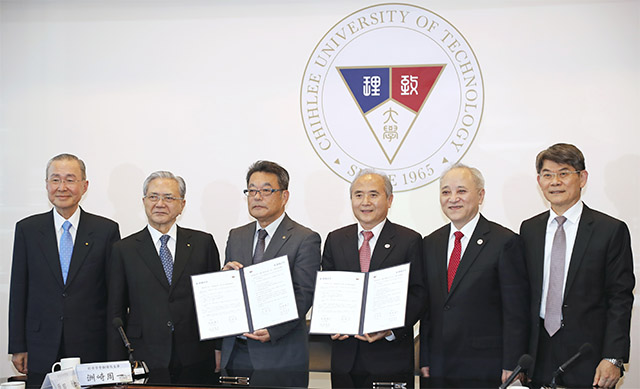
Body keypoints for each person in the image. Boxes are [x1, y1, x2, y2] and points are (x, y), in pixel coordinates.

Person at [520, 143, 635, 388]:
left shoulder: (610, 230)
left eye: (563, 173)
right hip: (538, 352)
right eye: (547, 175)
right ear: (539, 181)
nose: (555, 182)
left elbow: (620, 298)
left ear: (582, 178)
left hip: (588, 357)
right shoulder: (529, 230)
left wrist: (613, 357)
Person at [8, 153, 121, 384]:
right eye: (55, 179)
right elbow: (18, 290)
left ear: (84, 185)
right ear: (47, 184)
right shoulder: (27, 229)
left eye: (70, 179)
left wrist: (115, 351)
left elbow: (114, 295)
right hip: (40, 345)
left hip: (91, 346)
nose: (62, 187)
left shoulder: (105, 231)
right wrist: (18, 345)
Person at [419, 164, 529, 387]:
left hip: (486, 365)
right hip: (439, 365)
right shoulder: (430, 243)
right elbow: (429, 309)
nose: (453, 198)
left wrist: (512, 364)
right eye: (446, 192)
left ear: (480, 195)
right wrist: (425, 357)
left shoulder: (504, 242)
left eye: (461, 191)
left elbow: (515, 312)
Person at [107, 171, 220, 380]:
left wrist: (219, 348)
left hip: (196, 355)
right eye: (153, 197)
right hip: (143, 355)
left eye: (169, 197)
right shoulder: (124, 249)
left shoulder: (202, 244)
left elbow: (214, 304)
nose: (160, 203)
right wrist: (117, 362)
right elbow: (116, 311)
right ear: (144, 201)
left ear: (182, 205)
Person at [322, 169, 425, 388]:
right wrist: (330, 322)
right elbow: (326, 290)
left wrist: (390, 329)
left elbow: (419, 294)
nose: (365, 202)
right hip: (345, 360)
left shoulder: (409, 240)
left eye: (373, 195)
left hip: (389, 359)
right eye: (358, 195)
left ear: (389, 200)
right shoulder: (335, 239)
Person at [220, 160, 321, 381]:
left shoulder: (305, 238)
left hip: (280, 354)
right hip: (236, 352)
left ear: (284, 196)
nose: (257, 196)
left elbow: (304, 294)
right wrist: (224, 279)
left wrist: (275, 330)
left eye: (266, 190)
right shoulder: (237, 235)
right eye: (252, 190)